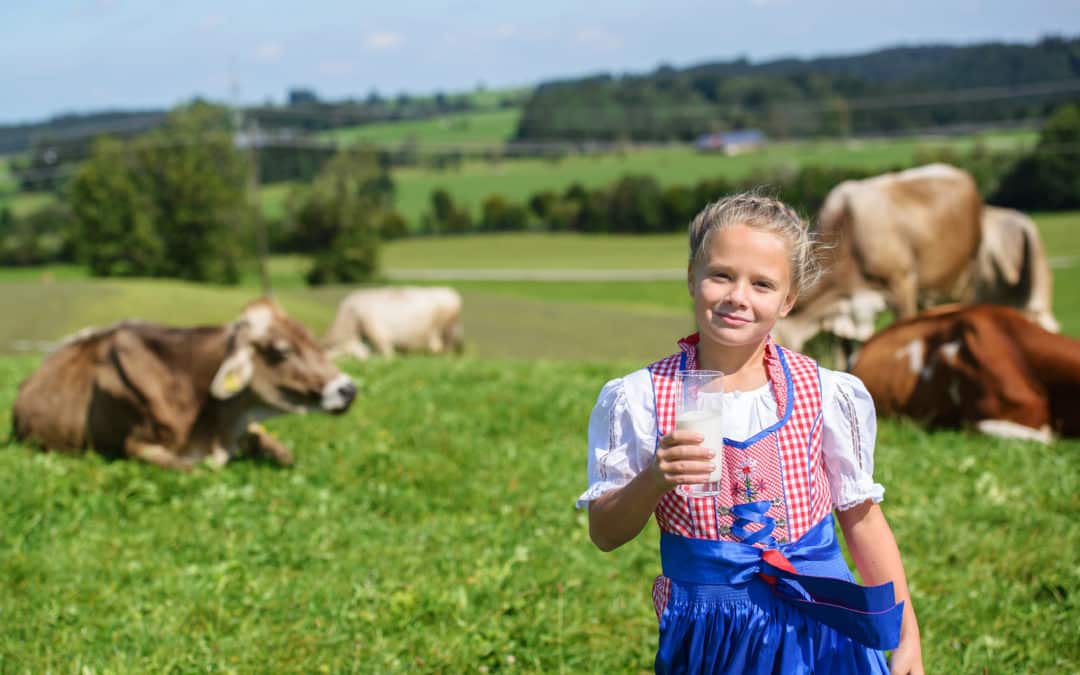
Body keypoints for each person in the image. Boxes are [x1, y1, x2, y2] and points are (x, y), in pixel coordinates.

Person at [577, 193, 923, 674]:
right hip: (713, 639)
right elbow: (605, 533)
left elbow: (861, 520)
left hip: (821, 630)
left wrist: (907, 636)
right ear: (693, 278)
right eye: (721, 275)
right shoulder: (641, 398)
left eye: (762, 284)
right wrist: (655, 477)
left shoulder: (825, 392)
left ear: (788, 301)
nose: (738, 296)